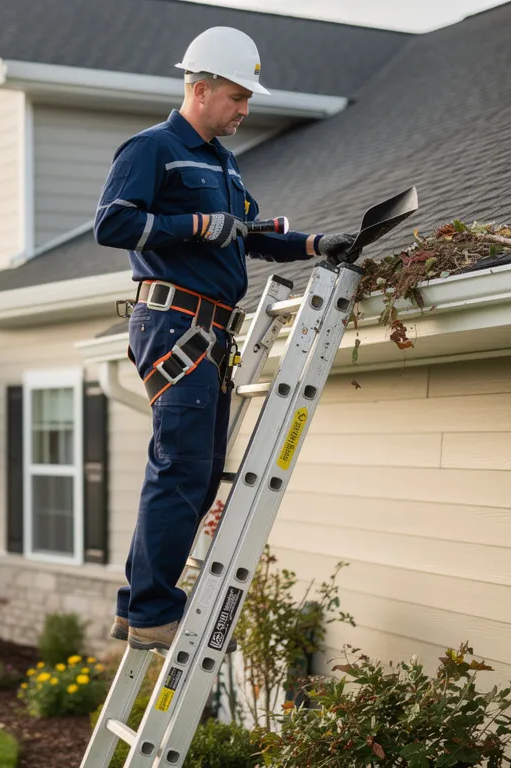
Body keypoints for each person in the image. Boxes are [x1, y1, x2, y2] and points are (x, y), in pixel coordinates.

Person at [93, 26, 358, 651]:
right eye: (238, 97)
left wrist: (318, 244)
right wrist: (197, 223)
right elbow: (113, 223)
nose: (245, 110)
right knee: (182, 466)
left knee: (200, 470)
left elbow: (248, 235)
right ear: (200, 87)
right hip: (173, 323)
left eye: (247, 100)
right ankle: (157, 612)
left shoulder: (224, 163)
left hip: (210, 328)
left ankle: (138, 605)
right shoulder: (152, 148)